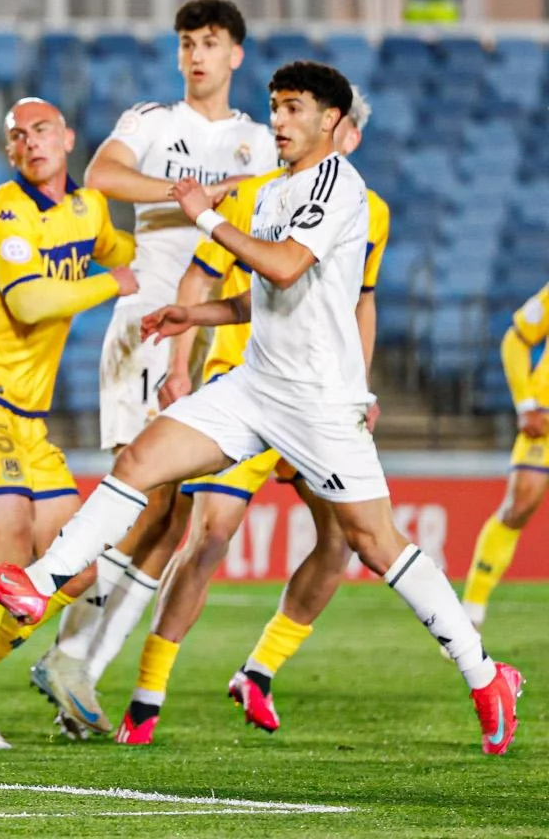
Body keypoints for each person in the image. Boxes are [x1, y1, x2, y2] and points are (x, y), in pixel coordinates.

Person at [0, 62, 525, 756]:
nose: (278, 122)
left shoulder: (338, 185)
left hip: (318, 401)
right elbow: (267, 295)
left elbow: (285, 266)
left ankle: (485, 672)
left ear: (328, 121)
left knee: (375, 544)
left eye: (291, 109)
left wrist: (201, 215)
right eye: (273, 108)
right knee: (142, 461)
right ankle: (36, 586)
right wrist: (193, 312)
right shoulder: (273, 191)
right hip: (255, 384)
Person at [116, 87, 388, 744]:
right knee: (209, 537)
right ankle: (146, 697)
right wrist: (181, 365)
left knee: (343, 541)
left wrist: (360, 387)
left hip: (319, 399)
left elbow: (361, 304)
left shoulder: (367, 208)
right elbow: (200, 280)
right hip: (246, 385)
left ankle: (260, 669)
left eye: (347, 129)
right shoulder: (256, 194)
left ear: (348, 134)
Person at [34, 0, 276, 723]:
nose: (197, 55)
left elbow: (267, 208)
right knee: (143, 497)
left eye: (210, 43)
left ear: (235, 54)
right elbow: (104, 177)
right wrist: (193, 197)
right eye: (186, 43)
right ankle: (39, 653)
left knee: (170, 519)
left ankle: (77, 661)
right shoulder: (151, 122)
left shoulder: (259, 142)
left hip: (216, 333)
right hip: (151, 326)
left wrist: (215, 202)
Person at [0, 98, 136, 749]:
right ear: (9, 152)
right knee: (7, 553)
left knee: (80, 566)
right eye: (18, 136)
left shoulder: (88, 208)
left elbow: (132, 248)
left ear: (68, 137)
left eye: (42, 130)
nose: (32, 142)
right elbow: (32, 300)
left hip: (28, 421)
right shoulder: (3, 211)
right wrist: (114, 281)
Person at [455, 283, 549, 632]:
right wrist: (526, 404)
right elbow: (516, 339)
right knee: (518, 506)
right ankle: (473, 608)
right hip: (545, 421)